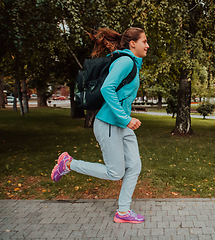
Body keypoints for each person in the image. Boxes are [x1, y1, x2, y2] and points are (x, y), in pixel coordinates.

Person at [51, 27, 149, 224]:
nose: (147, 45)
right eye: (144, 41)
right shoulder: (125, 61)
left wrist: (125, 119)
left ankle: (123, 211)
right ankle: (68, 164)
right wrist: (126, 118)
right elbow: (107, 88)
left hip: (120, 125)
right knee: (115, 173)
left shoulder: (132, 64)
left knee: (135, 166)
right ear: (132, 43)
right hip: (109, 124)